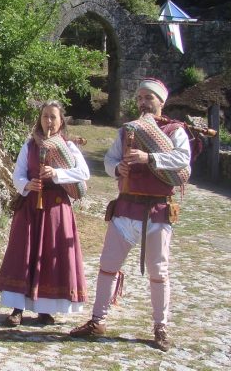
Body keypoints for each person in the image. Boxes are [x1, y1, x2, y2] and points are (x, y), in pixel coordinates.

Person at [70, 78, 191, 352]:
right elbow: (110, 159)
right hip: (126, 208)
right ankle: (98, 320)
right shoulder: (128, 131)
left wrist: (150, 159)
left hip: (157, 210)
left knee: (159, 271)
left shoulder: (174, 131)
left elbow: (183, 161)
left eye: (149, 97)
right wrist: (117, 170)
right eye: (140, 98)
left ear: (161, 101)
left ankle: (161, 327)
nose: (143, 102)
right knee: (107, 265)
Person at [0, 100, 90, 326]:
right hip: (30, 209)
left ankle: (45, 309)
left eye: (53, 117)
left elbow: (83, 173)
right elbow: (17, 174)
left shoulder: (68, 147)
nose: (48, 121)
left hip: (57, 210)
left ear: (61, 121)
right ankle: (17, 308)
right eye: (45, 116)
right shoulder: (29, 145)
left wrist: (56, 173)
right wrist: (27, 185)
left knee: (50, 257)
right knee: (24, 254)